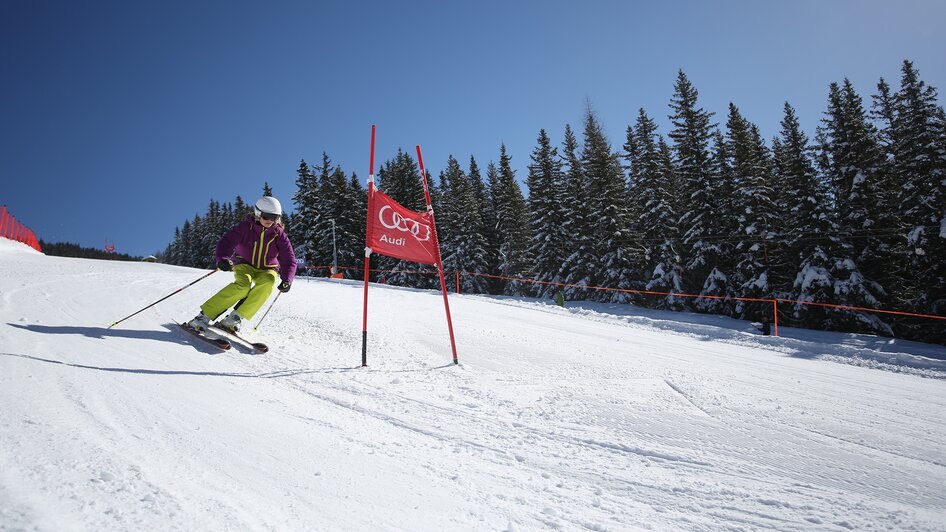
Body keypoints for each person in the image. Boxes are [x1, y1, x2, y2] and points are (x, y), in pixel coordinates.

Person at [188, 196, 297, 334]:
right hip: (244, 264)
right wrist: (222, 258)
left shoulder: (278, 234)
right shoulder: (245, 228)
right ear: (258, 213)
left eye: (274, 217)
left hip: (267, 268)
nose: (270, 220)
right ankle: (203, 316)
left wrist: (288, 279)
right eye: (266, 216)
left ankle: (234, 318)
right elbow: (226, 242)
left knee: (268, 283)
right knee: (243, 285)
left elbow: (289, 259)